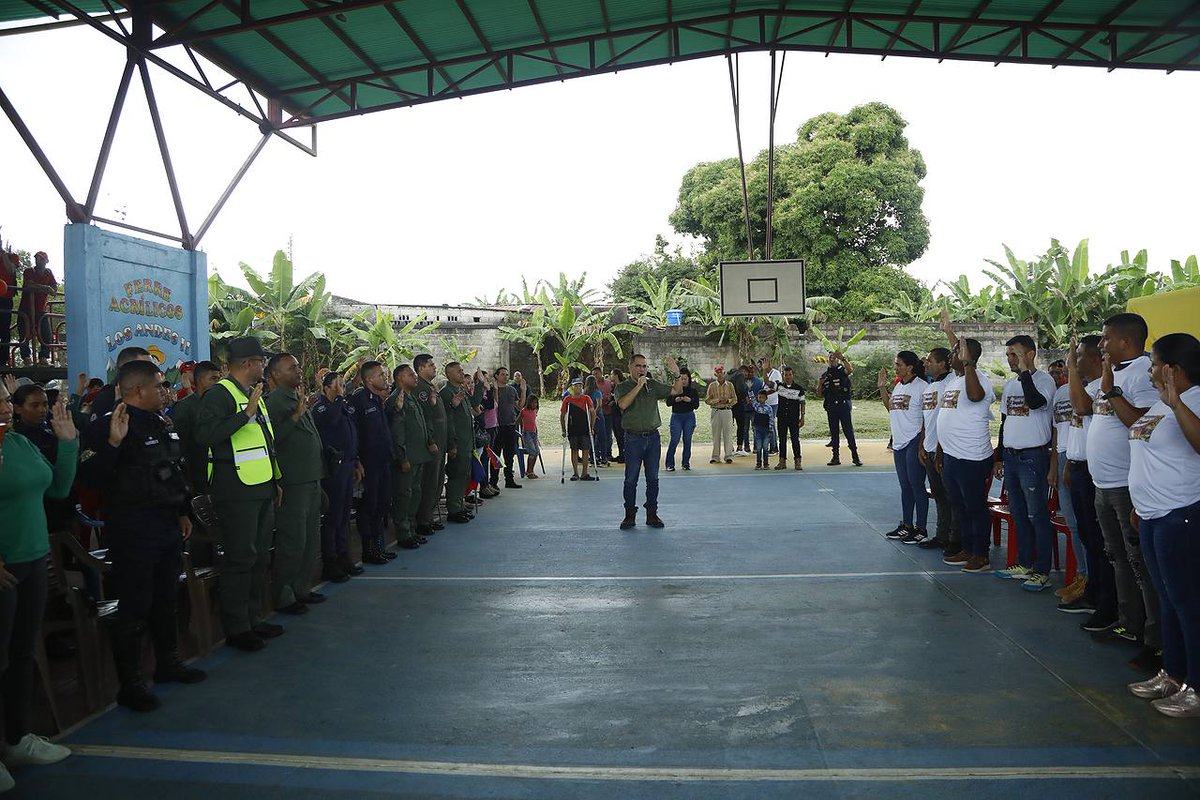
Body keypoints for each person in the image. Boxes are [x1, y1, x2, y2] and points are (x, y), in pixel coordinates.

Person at [84, 360, 206, 712]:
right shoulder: (113, 424)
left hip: (166, 523)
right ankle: (131, 683)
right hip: (132, 528)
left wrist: (183, 510)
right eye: (159, 384)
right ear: (138, 390)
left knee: (166, 599)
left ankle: (168, 664)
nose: (165, 390)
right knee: (134, 607)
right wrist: (112, 443)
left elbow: (172, 469)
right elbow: (89, 478)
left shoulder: (160, 422)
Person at [0, 383, 76, 786]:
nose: (5, 407)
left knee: (21, 653)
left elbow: (58, 490)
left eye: (3, 398)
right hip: (5, 566)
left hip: (32, 559)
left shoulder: (17, 444)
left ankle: (15, 739)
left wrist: (67, 445)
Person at [194, 336, 283, 652]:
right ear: (248, 363)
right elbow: (206, 435)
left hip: (260, 486)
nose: (263, 366)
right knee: (239, 558)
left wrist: (276, 479)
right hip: (235, 490)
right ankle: (237, 627)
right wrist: (243, 414)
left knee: (259, 556)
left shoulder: (251, 393)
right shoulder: (221, 395)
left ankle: (254, 618)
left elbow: (264, 441)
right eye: (261, 361)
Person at [1126, 333, 1200, 717]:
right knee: (1167, 599)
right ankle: (1172, 673)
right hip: (1154, 515)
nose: (1150, 369)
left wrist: (1177, 404)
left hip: (1181, 515)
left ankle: (1195, 687)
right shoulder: (1160, 406)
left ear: (1173, 368)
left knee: (1188, 602)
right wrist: (1141, 505)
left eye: (1154, 362)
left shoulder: (1194, 399)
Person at [1084, 313, 1161, 670]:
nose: (1101, 344)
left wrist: (1112, 389)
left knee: (1140, 565)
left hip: (1127, 486)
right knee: (1118, 557)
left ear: (1126, 342)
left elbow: (1141, 425)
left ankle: (1155, 639)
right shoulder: (1112, 372)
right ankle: (1130, 624)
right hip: (1104, 484)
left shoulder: (1142, 374)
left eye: (1105, 338)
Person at [992, 335, 1058, 592]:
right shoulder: (1010, 385)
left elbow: (1036, 402)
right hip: (1011, 456)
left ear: (1030, 354)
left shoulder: (1044, 381)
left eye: (1015, 355)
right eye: (1008, 355)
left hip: (1033, 457)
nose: (1010, 360)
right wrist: (998, 456)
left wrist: (1026, 373)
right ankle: (1024, 563)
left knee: (1037, 514)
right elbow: (1004, 422)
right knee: (1018, 514)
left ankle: (1042, 570)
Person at [936, 311, 998, 574]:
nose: (952, 356)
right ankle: (967, 548)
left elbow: (975, 397)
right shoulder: (955, 379)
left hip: (971, 458)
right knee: (959, 507)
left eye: (956, 353)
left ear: (967, 357)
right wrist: (948, 330)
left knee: (975, 508)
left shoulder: (977, 378)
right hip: (952, 456)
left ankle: (980, 555)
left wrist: (969, 362)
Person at [265, 353, 326, 614]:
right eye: (292, 367)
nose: (299, 370)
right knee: (293, 540)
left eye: (299, 366)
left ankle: (302, 587)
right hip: (292, 481)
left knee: (310, 538)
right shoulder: (276, 401)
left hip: (310, 477)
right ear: (276, 375)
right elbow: (273, 438)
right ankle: (285, 594)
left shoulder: (295, 397)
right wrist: (295, 416)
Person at [1063, 336, 1117, 626]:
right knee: (1088, 536)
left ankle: (1105, 601)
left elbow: (1082, 409)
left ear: (1096, 359)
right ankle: (1094, 592)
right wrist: (1070, 463)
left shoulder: (1101, 389)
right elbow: (1079, 429)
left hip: (1098, 474)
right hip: (1082, 468)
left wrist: (1071, 369)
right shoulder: (1086, 387)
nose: (1076, 360)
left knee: (1099, 542)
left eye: (1080, 356)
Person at [614, 355, 684, 529]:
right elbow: (623, 404)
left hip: (653, 438)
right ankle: (629, 514)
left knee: (653, 478)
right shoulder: (622, 387)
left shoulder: (652, 384)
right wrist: (638, 386)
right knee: (631, 479)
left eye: (644, 366)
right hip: (633, 439)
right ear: (630, 367)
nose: (642, 369)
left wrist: (676, 373)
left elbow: (677, 391)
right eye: (638, 366)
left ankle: (652, 514)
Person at [313, 371, 363, 582]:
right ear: (326, 387)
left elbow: (351, 434)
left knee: (343, 516)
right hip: (333, 468)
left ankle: (344, 555)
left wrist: (357, 461)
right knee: (332, 517)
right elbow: (331, 421)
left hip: (348, 464)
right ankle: (330, 560)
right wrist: (338, 397)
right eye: (338, 384)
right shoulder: (322, 406)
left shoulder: (342, 405)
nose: (342, 387)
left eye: (343, 384)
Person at [880, 351, 930, 544]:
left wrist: (921, 445)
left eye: (899, 364)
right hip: (899, 443)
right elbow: (889, 407)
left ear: (910, 367)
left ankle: (921, 528)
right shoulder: (899, 385)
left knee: (917, 485)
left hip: (914, 440)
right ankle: (907, 525)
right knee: (905, 486)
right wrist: (882, 386)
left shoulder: (922, 387)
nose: (896, 368)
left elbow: (927, 418)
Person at [1048, 358, 1085, 604]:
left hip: (1081, 459)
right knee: (1072, 523)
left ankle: (1091, 579)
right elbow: (1056, 431)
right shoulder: (1062, 393)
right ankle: (1082, 576)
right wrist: (1054, 467)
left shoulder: (1091, 391)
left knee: (1087, 526)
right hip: (1062, 457)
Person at [350, 361, 395, 564]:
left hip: (383, 461)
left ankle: (379, 546)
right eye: (380, 375)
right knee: (369, 507)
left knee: (382, 504)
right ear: (369, 379)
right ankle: (368, 550)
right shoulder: (359, 400)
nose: (385, 378)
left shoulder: (377, 399)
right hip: (368, 465)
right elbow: (354, 433)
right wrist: (356, 461)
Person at [917, 348, 959, 552]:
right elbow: (927, 421)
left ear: (943, 363)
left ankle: (955, 539)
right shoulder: (929, 387)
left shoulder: (951, 383)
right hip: (929, 449)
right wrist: (922, 445)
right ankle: (941, 536)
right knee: (939, 495)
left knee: (952, 497)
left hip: (944, 450)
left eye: (929, 361)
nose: (925, 364)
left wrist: (941, 449)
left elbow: (948, 419)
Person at [387, 364, 432, 549]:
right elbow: (397, 432)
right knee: (403, 495)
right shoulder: (396, 399)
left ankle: (412, 529)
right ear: (399, 379)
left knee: (415, 493)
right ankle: (403, 533)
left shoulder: (411, 398)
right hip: (407, 458)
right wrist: (402, 457)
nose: (415, 377)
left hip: (418, 455)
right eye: (410, 374)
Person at [171, 360, 223, 495]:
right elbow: (181, 446)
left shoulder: (220, 405)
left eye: (219, 378)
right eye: (213, 379)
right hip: (196, 474)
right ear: (200, 380)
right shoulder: (184, 407)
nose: (217, 383)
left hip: (220, 473)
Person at [441, 361, 483, 523]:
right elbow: (448, 420)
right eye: (458, 371)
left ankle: (459, 504)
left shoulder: (459, 390)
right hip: (458, 442)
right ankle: (454, 508)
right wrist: (451, 443)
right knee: (456, 476)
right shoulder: (446, 393)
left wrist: (479, 384)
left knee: (464, 475)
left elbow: (475, 404)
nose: (461, 373)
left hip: (467, 442)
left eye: (462, 371)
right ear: (449, 374)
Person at [414, 354, 448, 536]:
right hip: (432, 441)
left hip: (440, 441)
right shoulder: (420, 388)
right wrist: (431, 440)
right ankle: (423, 519)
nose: (434, 368)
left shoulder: (429, 386)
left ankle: (430, 516)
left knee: (437, 480)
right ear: (421, 368)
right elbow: (425, 417)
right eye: (430, 365)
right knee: (429, 481)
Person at [816, 352, 862, 467]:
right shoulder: (825, 375)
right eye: (830, 358)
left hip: (843, 405)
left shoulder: (842, 370)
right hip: (831, 407)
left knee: (848, 431)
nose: (832, 359)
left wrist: (843, 358)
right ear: (827, 360)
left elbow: (850, 370)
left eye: (834, 358)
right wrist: (819, 384)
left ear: (837, 360)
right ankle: (835, 457)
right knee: (834, 432)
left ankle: (855, 457)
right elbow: (818, 394)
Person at [17, 251, 56, 365]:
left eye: (42, 259)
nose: (39, 261)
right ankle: (26, 357)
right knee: (24, 333)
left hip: (40, 309)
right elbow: (29, 285)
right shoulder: (29, 271)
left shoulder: (48, 273)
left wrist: (46, 288)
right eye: (37, 258)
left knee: (46, 333)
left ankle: (43, 357)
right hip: (25, 308)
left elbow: (54, 289)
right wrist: (46, 288)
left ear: (46, 261)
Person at [493, 366, 527, 489]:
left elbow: (519, 406)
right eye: (503, 374)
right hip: (497, 426)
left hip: (510, 425)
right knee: (496, 454)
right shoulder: (492, 389)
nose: (505, 376)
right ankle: (493, 482)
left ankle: (509, 480)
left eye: (507, 374)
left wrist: (523, 390)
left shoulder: (511, 390)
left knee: (509, 454)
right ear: (496, 376)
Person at [560, 378, 597, 481]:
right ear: (572, 387)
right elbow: (562, 415)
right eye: (576, 385)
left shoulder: (586, 398)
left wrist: (592, 427)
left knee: (586, 450)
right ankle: (575, 473)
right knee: (574, 450)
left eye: (580, 385)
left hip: (585, 428)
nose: (579, 387)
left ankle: (584, 474)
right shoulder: (567, 399)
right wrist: (563, 430)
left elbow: (593, 413)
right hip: (572, 428)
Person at [664, 368, 699, 472]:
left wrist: (690, 400)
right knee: (674, 439)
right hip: (676, 417)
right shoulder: (674, 390)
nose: (683, 381)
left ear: (688, 379)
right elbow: (668, 402)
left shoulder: (693, 391)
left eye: (685, 379)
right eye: (681, 379)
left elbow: (696, 405)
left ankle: (685, 463)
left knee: (687, 440)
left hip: (689, 416)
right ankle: (669, 464)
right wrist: (675, 399)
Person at [775, 366, 806, 470]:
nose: (787, 377)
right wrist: (765, 369)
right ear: (783, 376)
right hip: (782, 418)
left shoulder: (799, 389)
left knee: (795, 440)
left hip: (794, 418)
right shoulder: (779, 387)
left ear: (793, 375)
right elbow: (767, 382)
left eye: (789, 374)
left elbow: (802, 403)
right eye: (785, 375)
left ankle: (798, 461)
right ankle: (782, 462)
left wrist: (802, 417)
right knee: (782, 440)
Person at [705, 365, 736, 464]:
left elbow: (735, 399)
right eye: (717, 373)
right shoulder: (712, 386)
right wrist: (717, 400)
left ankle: (728, 456)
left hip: (727, 410)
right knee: (716, 434)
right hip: (716, 411)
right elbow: (707, 400)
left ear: (724, 373)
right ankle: (715, 456)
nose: (720, 375)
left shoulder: (730, 385)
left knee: (728, 434)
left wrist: (728, 400)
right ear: (715, 374)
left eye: (721, 372)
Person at [0, 244, 17, 368]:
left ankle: (4, 359)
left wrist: (2, 252)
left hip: (5, 298)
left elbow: (10, 269)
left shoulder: (12, 257)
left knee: (4, 329)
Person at [760, 357, 783, 454]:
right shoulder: (765, 374)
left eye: (764, 363)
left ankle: (774, 447)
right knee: (767, 424)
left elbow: (774, 387)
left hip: (773, 403)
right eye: (761, 364)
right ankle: (770, 445)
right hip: (766, 403)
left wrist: (765, 395)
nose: (762, 365)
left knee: (771, 424)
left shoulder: (776, 373)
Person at [592, 367, 613, 466]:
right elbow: (598, 404)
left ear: (601, 373)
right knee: (597, 436)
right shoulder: (593, 386)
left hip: (608, 412)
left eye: (596, 374)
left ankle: (607, 454)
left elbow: (613, 394)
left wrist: (610, 400)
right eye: (593, 374)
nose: (595, 376)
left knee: (607, 435)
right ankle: (597, 455)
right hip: (597, 414)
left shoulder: (609, 383)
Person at [750, 388, 772, 470]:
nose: (761, 399)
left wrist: (770, 429)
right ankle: (758, 463)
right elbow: (752, 399)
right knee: (758, 447)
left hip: (766, 430)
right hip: (758, 430)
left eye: (763, 397)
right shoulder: (756, 406)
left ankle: (766, 463)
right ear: (757, 398)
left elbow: (771, 419)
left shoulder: (769, 408)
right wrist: (750, 389)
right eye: (759, 397)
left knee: (765, 447)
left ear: (766, 398)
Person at [607, 369, 626, 463]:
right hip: (614, 413)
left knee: (622, 434)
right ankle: (621, 454)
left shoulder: (623, 386)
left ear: (616, 375)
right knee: (617, 435)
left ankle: (625, 455)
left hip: (621, 414)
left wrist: (615, 401)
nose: (610, 376)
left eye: (611, 374)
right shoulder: (613, 386)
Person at [521, 396, 541, 479]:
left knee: (536, 452)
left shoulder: (535, 411)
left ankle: (531, 470)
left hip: (533, 433)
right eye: (533, 402)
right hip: (527, 433)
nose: (534, 404)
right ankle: (529, 471)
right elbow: (518, 420)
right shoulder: (524, 411)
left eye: (536, 403)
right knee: (532, 452)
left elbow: (533, 422)